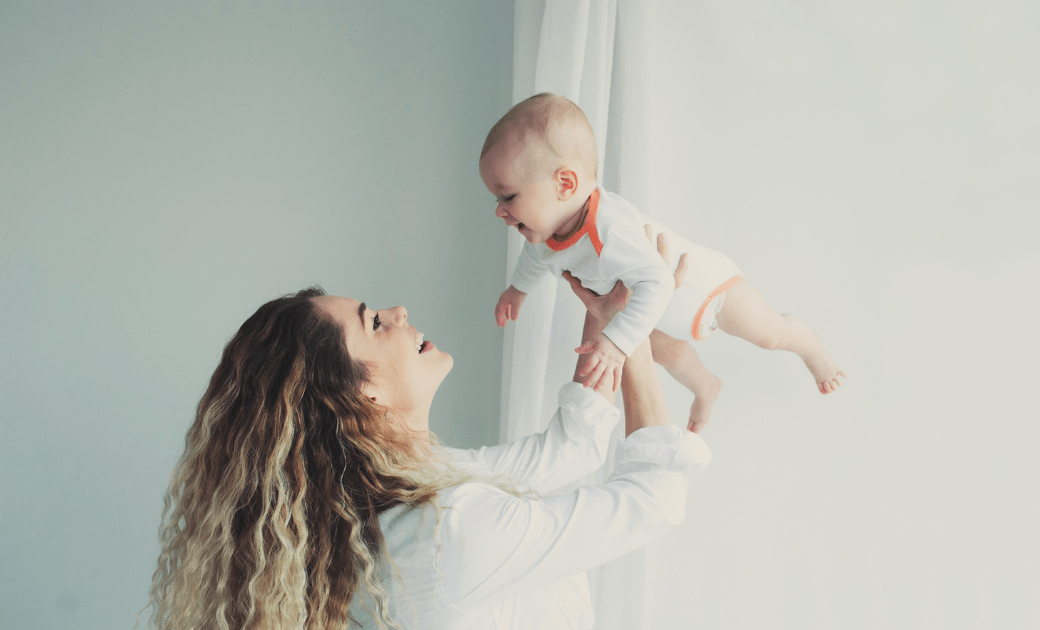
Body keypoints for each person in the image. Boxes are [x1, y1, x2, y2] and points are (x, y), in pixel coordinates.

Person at [144, 253, 707, 630]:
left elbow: (568, 450)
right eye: (374, 323)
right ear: (358, 393)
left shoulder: (404, 505)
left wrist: (609, 321)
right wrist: (633, 334)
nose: (398, 312)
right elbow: (655, 499)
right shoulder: (446, 529)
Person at [481, 92, 846, 432]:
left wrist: (617, 342)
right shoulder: (548, 232)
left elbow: (657, 282)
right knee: (667, 353)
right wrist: (517, 290)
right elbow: (536, 257)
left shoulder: (609, 229)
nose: (499, 211)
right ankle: (706, 388)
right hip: (660, 314)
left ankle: (810, 346)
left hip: (709, 293)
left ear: (565, 183)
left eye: (508, 196)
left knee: (769, 335)